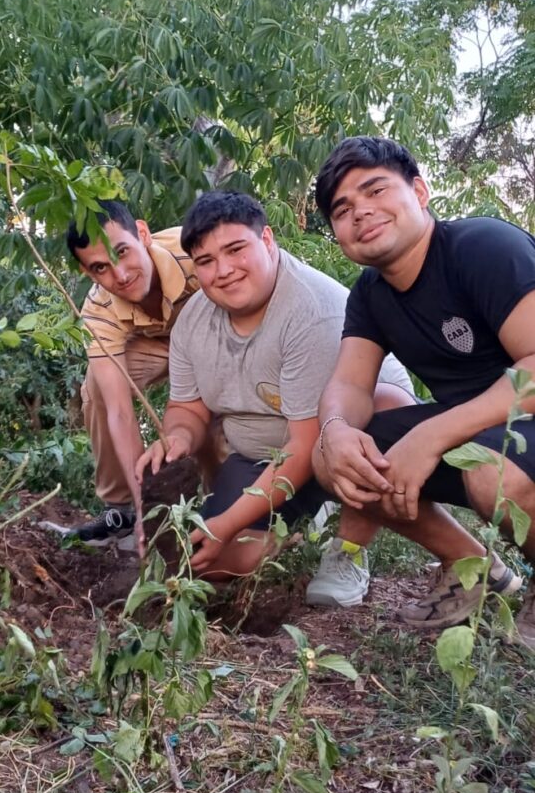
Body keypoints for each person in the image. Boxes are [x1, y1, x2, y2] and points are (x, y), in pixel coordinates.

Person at [312, 135, 534, 648]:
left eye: (375, 191)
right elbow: (350, 383)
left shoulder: (482, 247)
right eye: (342, 209)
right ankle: (472, 567)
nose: (360, 212)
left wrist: (431, 436)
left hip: (517, 426)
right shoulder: (371, 293)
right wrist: (336, 429)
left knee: (491, 471)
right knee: (332, 456)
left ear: (419, 191)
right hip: (479, 428)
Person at [136, 189, 414, 593]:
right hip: (260, 454)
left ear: (267, 240)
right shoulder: (192, 323)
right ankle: (298, 525)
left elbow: (305, 444)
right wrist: (177, 436)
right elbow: (187, 408)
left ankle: (349, 550)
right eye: (206, 261)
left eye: (235, 250)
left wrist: (225, 524)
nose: (224, 270)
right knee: (216, 564)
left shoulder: (310, 311)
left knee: (386, 408)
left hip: (336, 440)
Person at [65, 200, 198, 546]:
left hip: (213, 340)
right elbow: (119, 412)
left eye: (122, 251)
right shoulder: (98, 309)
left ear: (142, 233)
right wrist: (144, 512)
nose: (120, 275)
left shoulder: (195, 249)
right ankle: (123, 509)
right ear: (87, 272)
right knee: (97, 386)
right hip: (157, 347)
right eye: (101, 268)